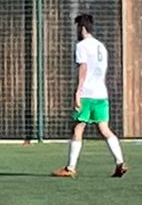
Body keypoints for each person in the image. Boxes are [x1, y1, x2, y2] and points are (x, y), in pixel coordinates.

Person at [53, 13, 127, 179]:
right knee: (105, 129)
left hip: (87, 94)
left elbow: (84, 67)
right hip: (101, 94)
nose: (77, 31)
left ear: (83, 28)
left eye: (78, 27)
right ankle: (120, 162)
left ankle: (71, 167)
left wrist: (79, 91)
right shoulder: (101, 46)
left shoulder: (82, 46)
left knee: (79, 127)